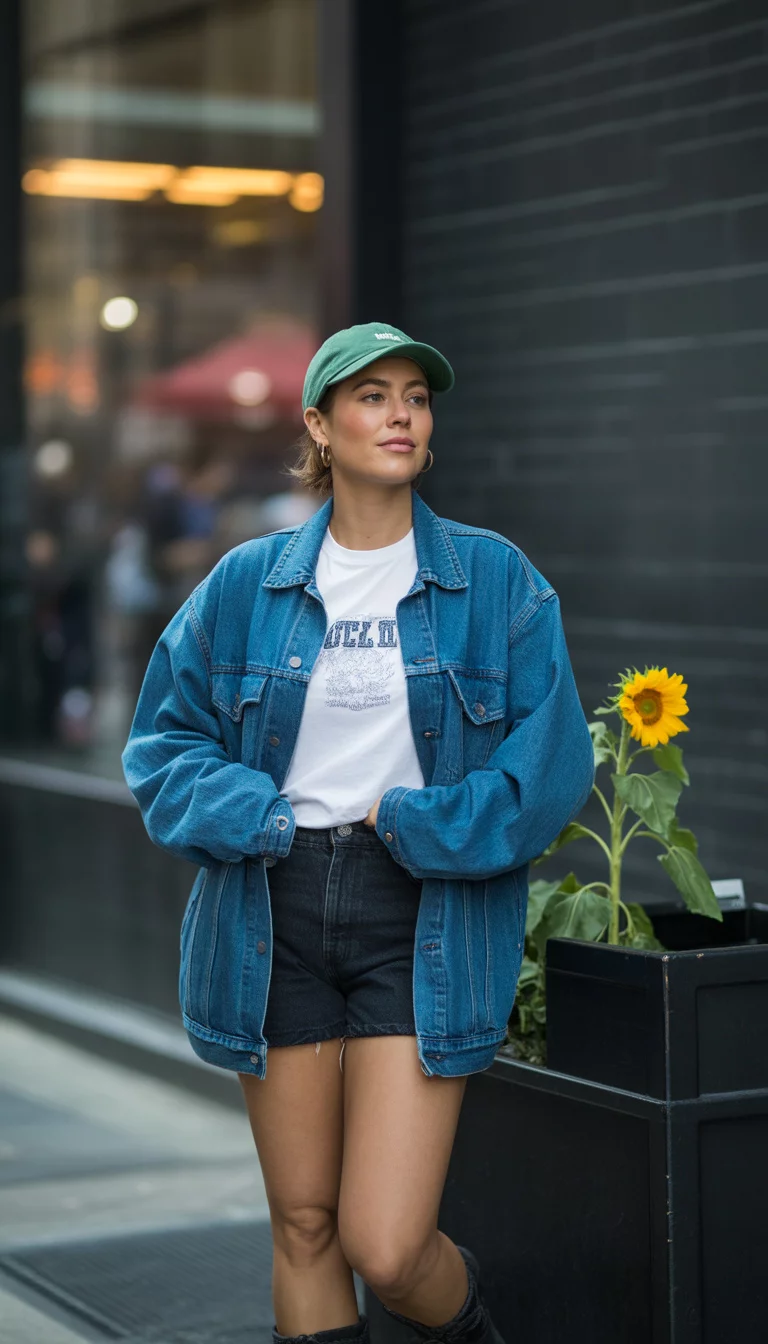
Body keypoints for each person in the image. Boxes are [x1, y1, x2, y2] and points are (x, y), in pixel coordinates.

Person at [121, 321, 595, 1344]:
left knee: (387, 1245)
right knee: (302, 1223)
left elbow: (552, 765)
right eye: (373, 396)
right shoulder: (247, 584)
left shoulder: (495, 579)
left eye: (416, 398)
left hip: (418, 909)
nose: (401, 415)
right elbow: (161, 747)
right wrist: (257, 813)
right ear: (320, 426)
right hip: (271, 900)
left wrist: (430, 824)